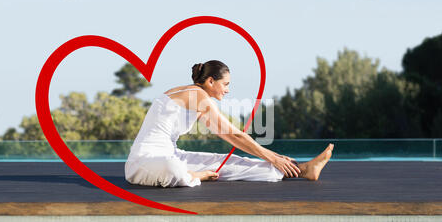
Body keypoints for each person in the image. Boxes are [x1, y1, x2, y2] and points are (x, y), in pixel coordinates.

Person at [125, 60, 334, 188]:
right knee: (174, 167)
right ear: (210, 82)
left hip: (172, 154)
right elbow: (235, 135)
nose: (227, 90)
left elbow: (229, 136)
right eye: (225, 84)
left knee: (228, 161)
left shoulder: (193, 97)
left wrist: (275, 158)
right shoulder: (197, 95)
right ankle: (195, 176)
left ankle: (304, 169)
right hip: (144, 162)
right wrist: (272, 156)